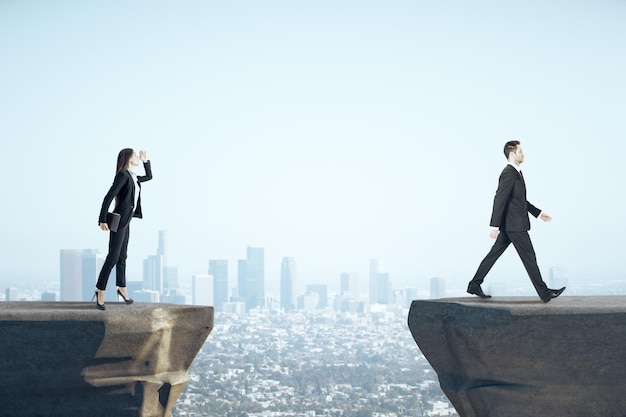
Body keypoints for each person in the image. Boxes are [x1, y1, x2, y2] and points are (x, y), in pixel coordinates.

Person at [466, 140, 565, 303]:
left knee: (494, 254)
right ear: (512, 154)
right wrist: (494, 225)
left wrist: (538, 213)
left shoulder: (516, 172)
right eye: (520, 151)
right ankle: (544, 293)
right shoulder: (509, 173)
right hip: (515, 225)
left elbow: (519, 201)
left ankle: (474, 285)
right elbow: (499, 198)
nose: (523, 154)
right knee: (529, 257)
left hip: (511, 224)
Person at [93, 149, 152, 310]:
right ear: (128, 158)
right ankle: (100, 291)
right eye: (135, 156)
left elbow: (149, 177)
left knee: (122, 257)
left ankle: (122, 288)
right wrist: (102, 219)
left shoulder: (133, 177)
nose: (137, 158)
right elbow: (109, 196)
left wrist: (146, 162)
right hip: (118, 221)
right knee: (113, 257)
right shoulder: (123, 175)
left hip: (126, 221)